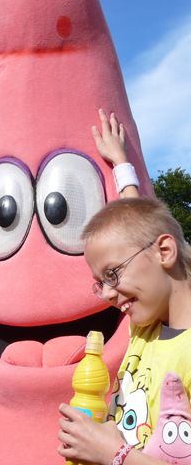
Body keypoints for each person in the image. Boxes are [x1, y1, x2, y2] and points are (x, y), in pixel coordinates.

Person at [57, 197, 191, 465]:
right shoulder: (145, 326)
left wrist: (113, 454)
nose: (106, 293)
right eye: (100, 283)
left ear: (164, 252)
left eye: (112, 274)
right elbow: (137, 225)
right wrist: (120, 161)